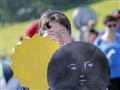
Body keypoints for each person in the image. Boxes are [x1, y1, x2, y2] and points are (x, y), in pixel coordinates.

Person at [94, 15, 120, 90]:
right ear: (105, 26)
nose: (112, 28)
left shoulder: (119, 38)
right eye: (109, 25)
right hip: (109, 76)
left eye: (114, 25)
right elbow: (95, 59)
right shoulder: (99, 41)